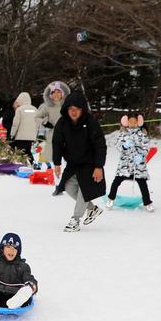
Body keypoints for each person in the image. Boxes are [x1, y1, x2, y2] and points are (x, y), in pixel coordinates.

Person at [52, 91, 106, 232]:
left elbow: (100, 144)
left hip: (90, 164)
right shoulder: (62, 123)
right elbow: (56, 143)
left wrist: (98, 166)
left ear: (82, 109)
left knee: (84, 190)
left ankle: (75, 220)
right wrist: (57, 163)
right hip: (72, 164)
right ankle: (92, 209)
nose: (73, 112)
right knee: (69, 187)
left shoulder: (90, 122)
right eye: (70, 109)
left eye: (76, 109)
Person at [106, 112, 154, 212]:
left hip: (138, 167)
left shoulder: (142, 134)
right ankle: (110, 199)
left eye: (135, 121)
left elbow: (146, 148)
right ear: (126, 122)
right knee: (116, 182)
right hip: (125, 166)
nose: (132, 123)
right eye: (130, 121)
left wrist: (141, 156)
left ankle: (147, 203)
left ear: (138, 122)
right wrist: (124, 146)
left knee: (143, 185)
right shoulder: (123, 134)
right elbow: (118, 146)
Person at [36, 81, 71, 195]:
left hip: (68, 138)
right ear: (50, 94)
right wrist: (45, 123)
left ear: (62, 93)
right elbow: (37, 117)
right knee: (56, 162)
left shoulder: (67, 105)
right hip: (53, 139)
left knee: (70, 162)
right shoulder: (46, 106)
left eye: (58, 92)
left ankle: (68, 184)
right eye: (54, 92)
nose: (56, 95)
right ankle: (58, 186)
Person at [10, 92, 38, 164]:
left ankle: (22, 164)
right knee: (27, 150)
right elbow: (37, 123)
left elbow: (15, 124)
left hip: (21, 136)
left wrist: (12, 134)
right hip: (31, 136)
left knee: (20, 151)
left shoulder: (19, 110)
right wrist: (35, 134)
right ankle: (32, 164)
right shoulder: (35, 109)